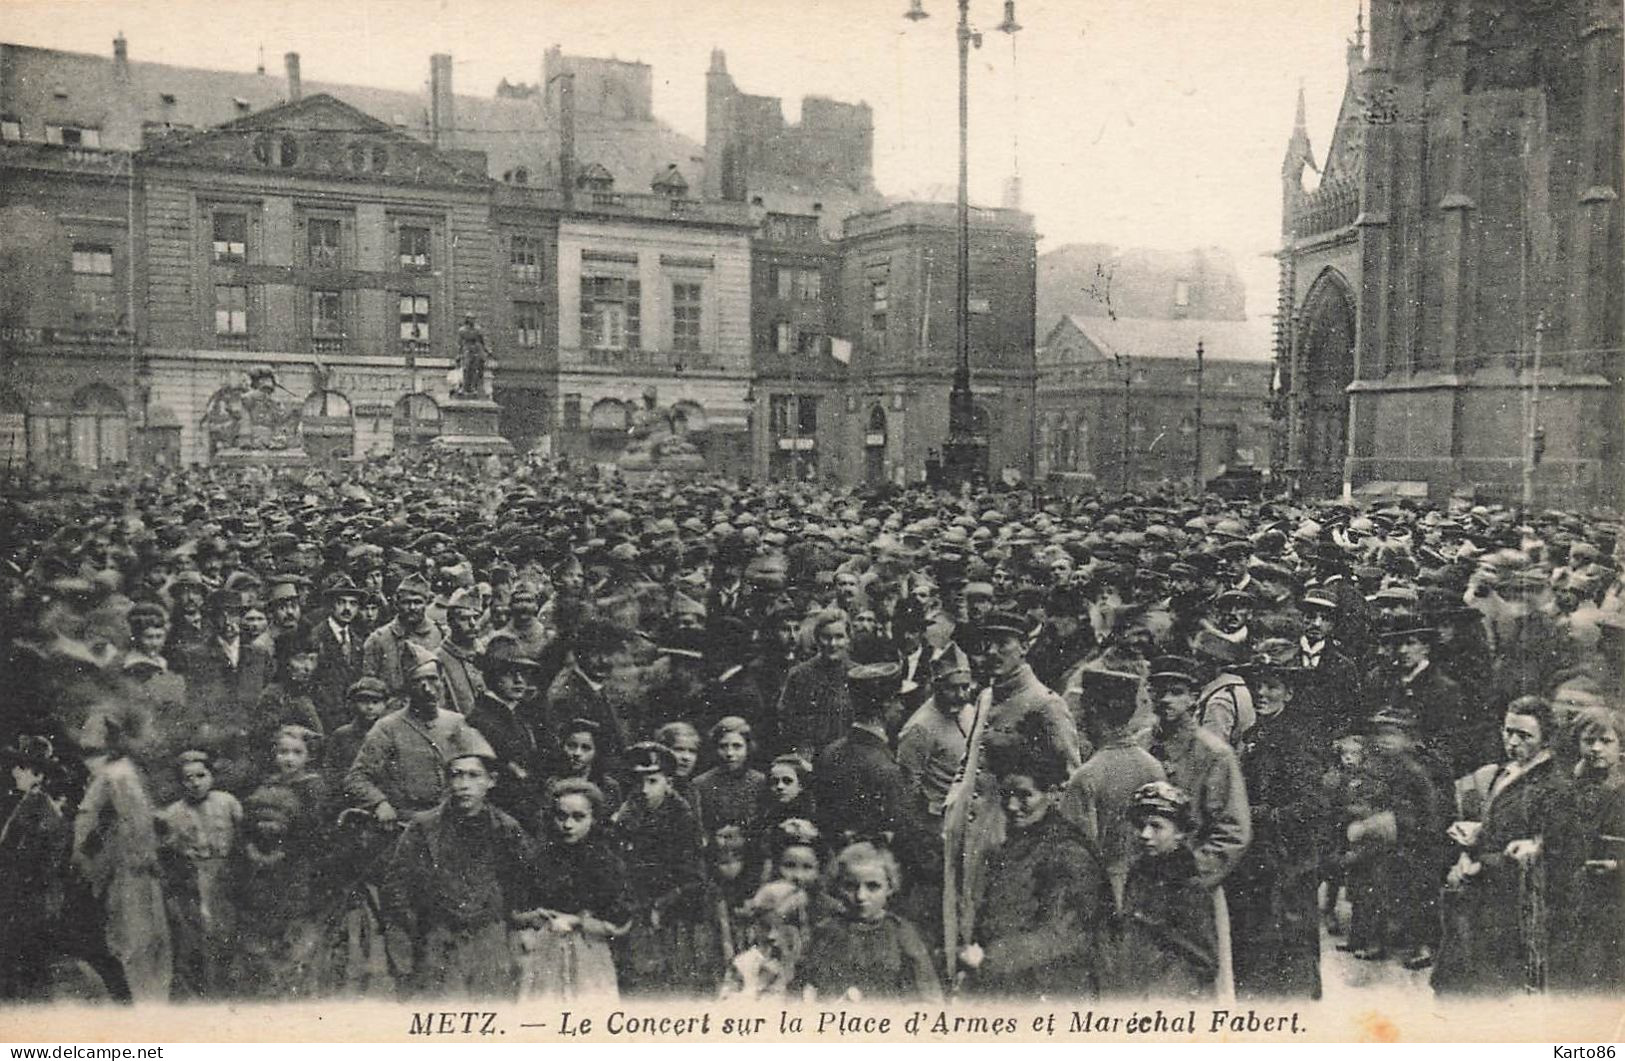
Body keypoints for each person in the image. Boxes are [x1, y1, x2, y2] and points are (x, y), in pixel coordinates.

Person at [1434, 695, 1578, 994]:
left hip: (1511, 909)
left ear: (1546, 739)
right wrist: (1477, 832)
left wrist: (1484, 863)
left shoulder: (1554, 788)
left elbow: (1557, 853)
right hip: (1481, 894)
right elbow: (1502, 825)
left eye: (1524, 736)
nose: (1512, 742)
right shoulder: (1507, 771)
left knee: (1489, 991)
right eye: (1508, 731)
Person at [381, 726, 536, 998]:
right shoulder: (424, 827)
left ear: (492, 780)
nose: (464, 785)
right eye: (456, 775)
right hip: (437, 938)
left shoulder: (506, 828)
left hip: (490, 939)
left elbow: (525, 881)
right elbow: (397, 886)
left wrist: (511, 922)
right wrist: (420, 930)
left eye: (474, 776)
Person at [957, 718, 1105, 998]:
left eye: (1025, 795)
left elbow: (1063, 936)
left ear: (1051, 793)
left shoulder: (1068, 852)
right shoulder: (1017, 841)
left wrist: (988, 959)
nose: (1013, 806)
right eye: (1007, 794)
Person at [1145, 654, 1250, 998]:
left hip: (1193, 887)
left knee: (1198, 984)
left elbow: (1234, 831)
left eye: (1176, 692)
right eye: (1159, 690)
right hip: (1143, 884)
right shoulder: (1141, 745)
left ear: (1194, 698)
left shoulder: (1214, 754)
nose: (1166, 700)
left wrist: (1193, 869)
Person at [1226, 654, 1328, 998]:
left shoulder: (1298, 740)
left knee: (1287, 947)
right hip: (1259, 859)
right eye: (1257, 686)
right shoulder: (1255, 733)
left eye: (1272, 686)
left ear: (1289, 693)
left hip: (1288, 861)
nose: (1261, 693)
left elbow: (1312, 805)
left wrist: (1261, 814)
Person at [612, 741, 714, 997]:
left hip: (673, 915)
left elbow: (695, 877)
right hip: (634, 909)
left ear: (669, 783)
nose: (644, 789)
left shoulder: (682, 817)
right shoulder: (628, 813)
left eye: (653, 781)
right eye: (638, 782)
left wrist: (661, 903)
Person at [1059, 668, 1166, 912]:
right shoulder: (1153, 766)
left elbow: (1074, 858)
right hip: (1149, 894)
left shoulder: (1086, 777)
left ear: (1093, 712)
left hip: (1104, 898)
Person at [513, 778, 630, 1000]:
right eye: (562, 816)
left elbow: (620, 917)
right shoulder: (539, 859)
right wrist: (535, 915)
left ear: (594, 819)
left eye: (578, 817)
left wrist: (581, 921)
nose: (568, 825)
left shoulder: (607, 862)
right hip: (545, 951)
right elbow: (518, 907)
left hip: (590, 951)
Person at [346, 649, 487, 823]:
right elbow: (357, 778)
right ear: (406, 688)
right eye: (417, 682)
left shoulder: (458, 723)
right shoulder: (387, 727)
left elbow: (482, 770)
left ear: (442, 681)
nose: (427, 688)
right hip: (409, 822)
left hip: (454, 819)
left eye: (432, 679)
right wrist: (380, 803)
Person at [1104, 781, 1218, 998]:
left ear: (1180, 833)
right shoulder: (1140, 872)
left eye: (1156, 826)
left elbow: (1201, 961)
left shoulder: (1187, 884)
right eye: (1141, 826)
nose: (1145, 834)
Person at [792, 841, 942, 1002]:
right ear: (838, 887)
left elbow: (928, 996)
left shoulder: (901, 932)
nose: (860, 896)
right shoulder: (826, 931)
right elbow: (803, 988)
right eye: (850, 886)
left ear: (890, 888)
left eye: (873, 887)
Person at [156, 749, 240, 999]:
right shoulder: (173, 813)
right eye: (188, 778)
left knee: (228, 929)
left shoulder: (227, 802)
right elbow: (167, 849)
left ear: (211, 776)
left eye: (201, 775)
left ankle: (229, 987)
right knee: (199, 932)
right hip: (194, 875)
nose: (195, 783)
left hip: (225, 873)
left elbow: (242, 834)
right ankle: (202, 988)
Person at [1553, 706, 1625, 991]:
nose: (1596, 748)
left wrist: (1618, 867)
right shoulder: (1569, 787)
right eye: (1588, 741)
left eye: (1605, 741)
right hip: (1574, 900)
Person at [0, 735, 70, 1000]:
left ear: (38, 775)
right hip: (26, 895)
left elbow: (25, 861)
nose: (14, 771)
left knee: (25, 964)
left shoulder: (39, 810)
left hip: (30, 898)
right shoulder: (29, 804)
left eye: (22, 767)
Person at [896, 653, 977, 819]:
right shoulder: (919, 727)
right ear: (936, 687)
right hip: (939, 818)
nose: (961, 695)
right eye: (952, 688)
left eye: (965, 687)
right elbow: (908, 787)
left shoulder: (968, 710)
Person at [777, 610, 855, 758]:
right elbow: (786, 719)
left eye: (839, 637)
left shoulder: (858, 676)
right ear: (817, 639)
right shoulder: (799, 675)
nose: (832, 644)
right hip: (810, 758)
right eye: (826, 637)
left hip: (847, 758)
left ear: (848, 639)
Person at [721, 880, 809, 1000]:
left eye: (782, 929)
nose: (772, 936)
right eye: (765, 927)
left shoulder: (808, 969)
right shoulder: (744, 964)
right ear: (754, 927)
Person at [362, 575, 444, 697]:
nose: (412, 608)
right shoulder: (378, 639)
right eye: (406, 602)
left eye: (417, 602)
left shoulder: (440, 634)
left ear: (426, 604)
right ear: (396, 604)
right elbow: (369, 684)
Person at [691, 717, 767, 834]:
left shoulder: (761, 781)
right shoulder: (700, 784)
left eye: (737, 746)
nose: (730, 753)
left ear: (748, 748)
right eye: (723, 746)